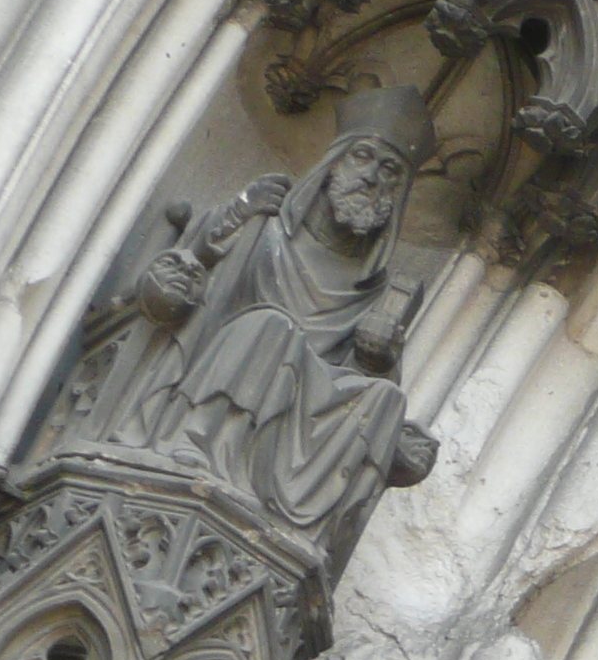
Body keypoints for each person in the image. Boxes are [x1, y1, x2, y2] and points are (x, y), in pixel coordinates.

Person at [99, 88, 440, 566]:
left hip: (303, 406)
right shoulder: (263, 226)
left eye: (391, 172)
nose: (372, 178)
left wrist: (378, 360)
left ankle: (315, 536)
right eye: (363, 156)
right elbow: (187, 279)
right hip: (234, 356)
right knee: (272, 328)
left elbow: (356, 386)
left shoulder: (382, 292)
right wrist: (234, 216)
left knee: (386, 401)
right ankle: (195, 443)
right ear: (332, 165)